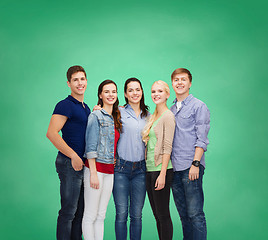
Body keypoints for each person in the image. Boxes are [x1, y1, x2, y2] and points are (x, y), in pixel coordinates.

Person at [46, 65, 90, 240]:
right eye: (75, 80)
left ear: (86, 81)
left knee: (80, 213)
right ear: (69, 83)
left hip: (82, 164)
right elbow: (51, 133)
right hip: (69, 163)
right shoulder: (65, 105)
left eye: (82, 79)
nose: (80, 83)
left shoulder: (85, 107)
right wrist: (73, 155)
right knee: (68, 212)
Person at [170, 68, 210, 240]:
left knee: (195, 215)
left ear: (190, 83)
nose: (179, 83)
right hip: (174, 168)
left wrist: (195, 164)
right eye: (176, 80)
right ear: (172, 83)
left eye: (183, 79)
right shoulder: (170, 109)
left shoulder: (199, 106)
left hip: (190, 166)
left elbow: (202, 138)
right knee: (184, 216)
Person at [82, 80, 122, 240]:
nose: (110, 94)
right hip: (95, 170)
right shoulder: (95, 115)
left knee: (101, 215)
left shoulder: (116, 117)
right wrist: (92, 173)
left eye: (113, 91)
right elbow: (90, 146)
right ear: (100, 95)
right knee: (90, 214)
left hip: (109, 171)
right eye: (107, 91)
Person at [113, 78, 150, 240]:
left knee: (137, 215)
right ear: (126, 94)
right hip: (121, 169)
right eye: (131, 90)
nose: (135, 93)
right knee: (121, 214)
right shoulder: (119, 112)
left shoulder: (149, 116)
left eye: (138, 89)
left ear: (142, 92)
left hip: (141, 171)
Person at [142, 80, 175, 240]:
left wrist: (162, 174)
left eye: (160, 91)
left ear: (167, 94)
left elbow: (167, 147)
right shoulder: (154, 116)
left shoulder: (168, 116)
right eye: (154, 91)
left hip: (161, 170)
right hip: (149, 170)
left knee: (163, 215)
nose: (156, 94)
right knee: (157, 215)